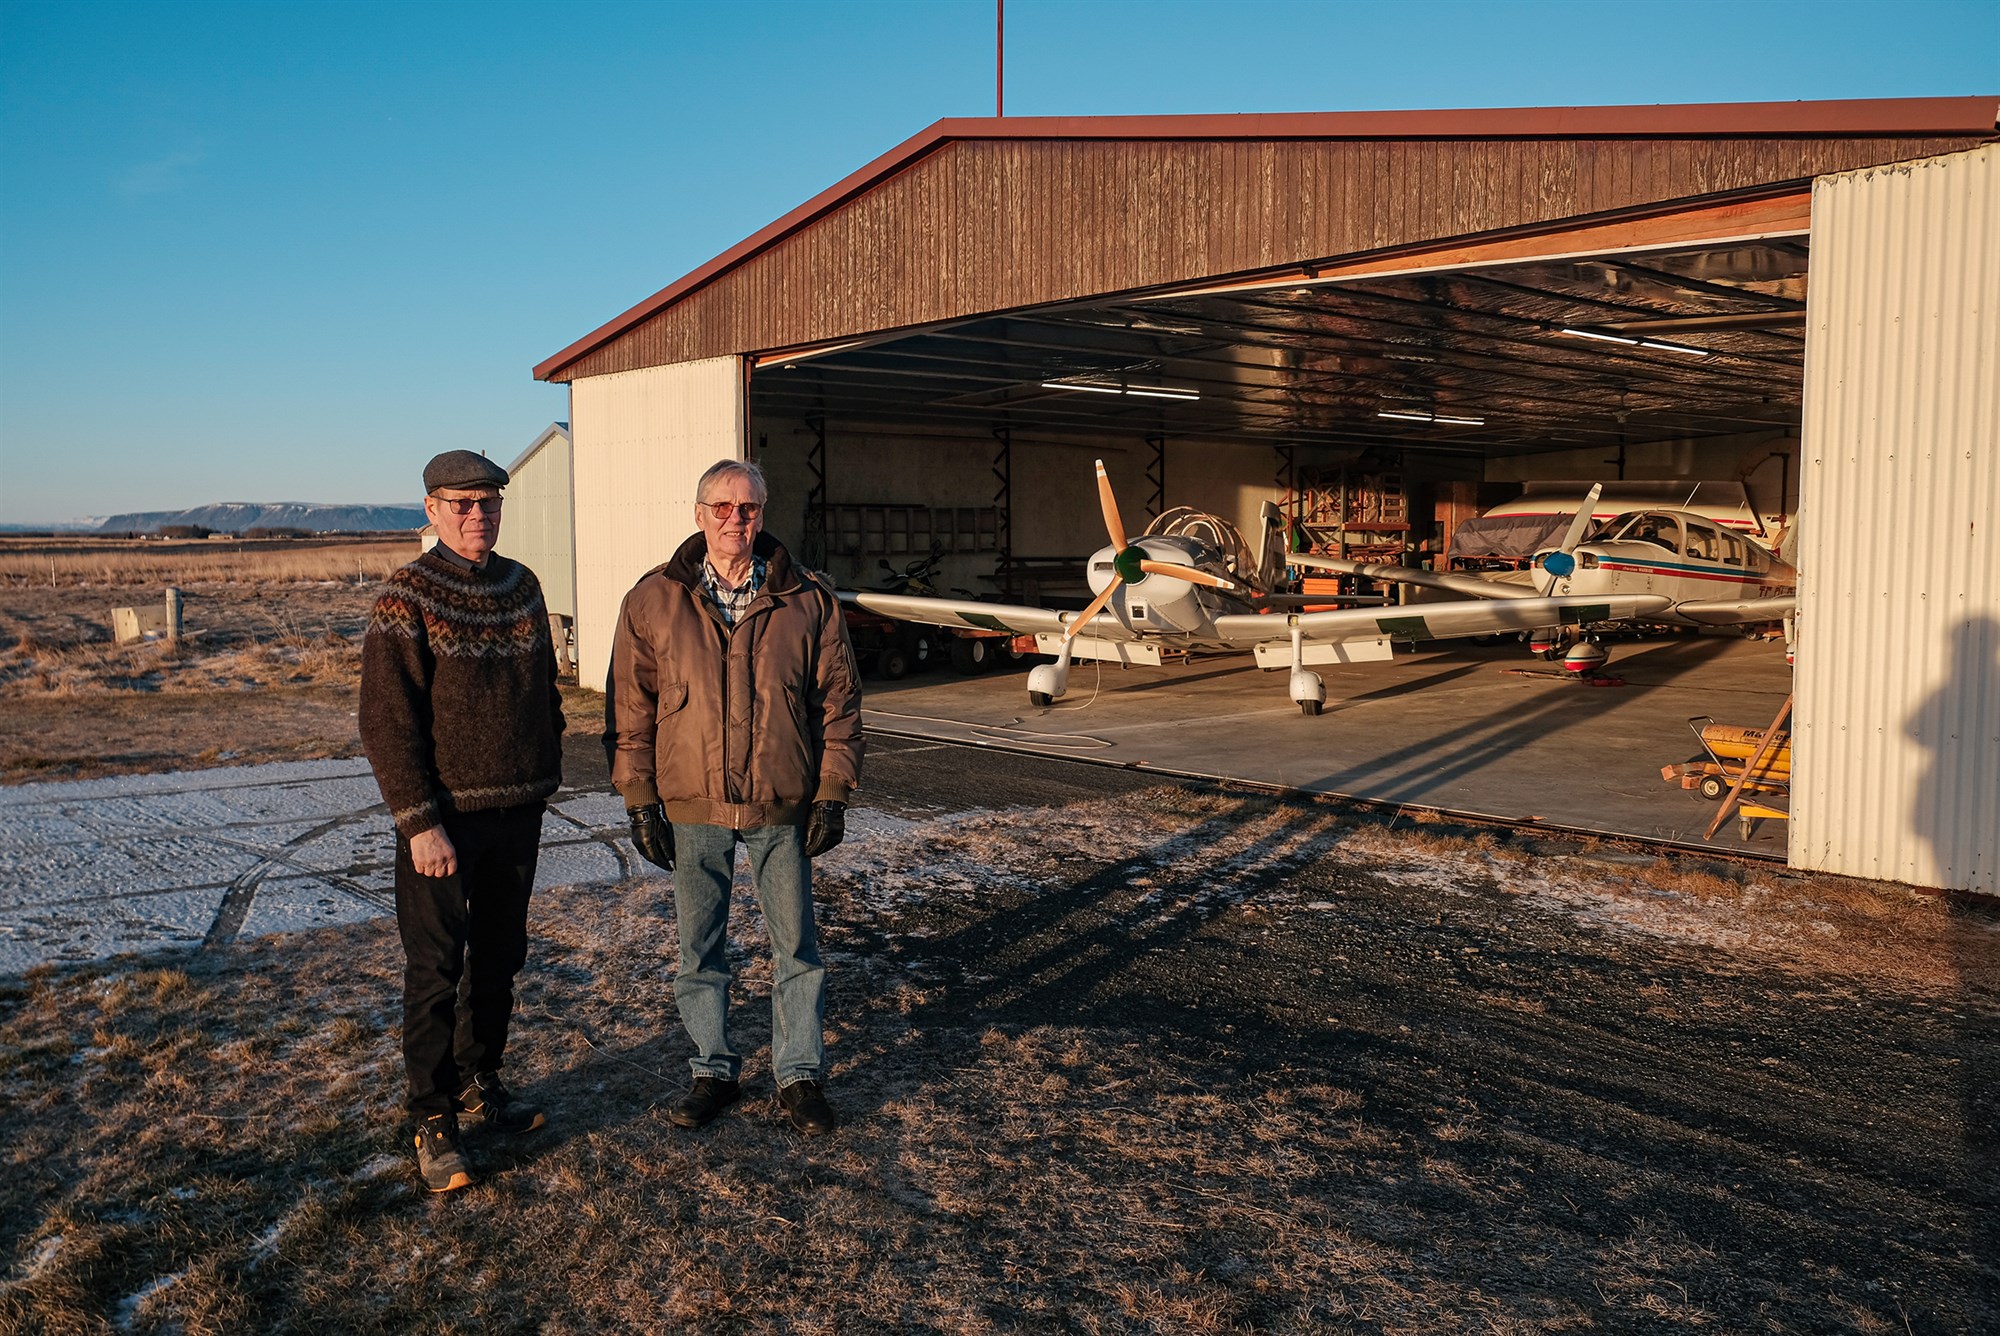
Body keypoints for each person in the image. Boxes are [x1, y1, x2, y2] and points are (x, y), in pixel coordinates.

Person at [606, 458, 862, 1136]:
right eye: (720, 507)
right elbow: (629, 708)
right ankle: (712, 1071)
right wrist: (639, 798)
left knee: (796, 948)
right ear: (698, 515)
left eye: (747, 508)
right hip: (693, 806)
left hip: (783, 801)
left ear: (761, 515)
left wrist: (832, 791)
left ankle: (799, 1077)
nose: (734, 520)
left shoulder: (808, 598)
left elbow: (838, 701)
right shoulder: (653, 600)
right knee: (700, 949)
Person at [360, 449, 565, 1192]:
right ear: (431, 511)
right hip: (443, 823)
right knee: (436, 969)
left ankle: (484, 1083)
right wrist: (419, 822)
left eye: (488, 503)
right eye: (461, 504)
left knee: (501, 958)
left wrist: (549, 750)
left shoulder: (523, 585)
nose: (478, 515)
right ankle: (432, 1117)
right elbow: (387, 723)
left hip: (518, 811)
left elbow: (545, 684)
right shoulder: (406, 595)